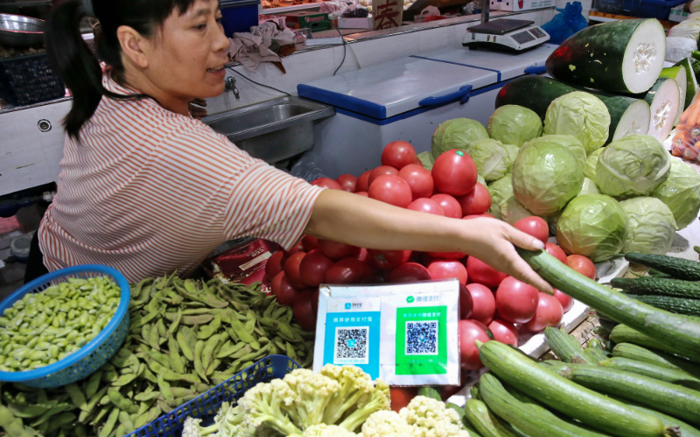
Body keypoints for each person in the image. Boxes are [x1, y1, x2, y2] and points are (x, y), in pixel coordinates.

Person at [35, 0, 552, 295]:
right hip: (95, 301)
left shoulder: (109, 81)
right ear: (134, 45)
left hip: (69, 259)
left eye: (218, 18)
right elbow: (318, 211)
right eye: (198, 26)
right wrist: (466, 234)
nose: (222, 41)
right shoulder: (175, 149)